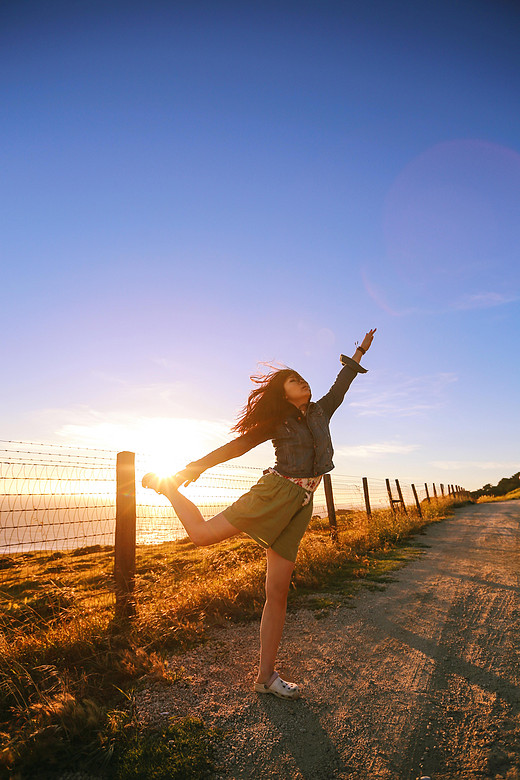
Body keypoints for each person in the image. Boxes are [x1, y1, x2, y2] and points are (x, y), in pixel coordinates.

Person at [143, 328, 376, 700]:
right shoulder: (275, 421)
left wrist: (359, 352)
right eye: (295, 381)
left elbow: (342, 384)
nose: (304, 383)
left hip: (302, 503)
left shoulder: (320, 411)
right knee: (201, 536)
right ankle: (168, 487)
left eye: (303, 379)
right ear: (283, 393)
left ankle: (265, 677)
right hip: (275, 493)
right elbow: (237, 446)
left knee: (278, 592)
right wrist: (194, 467)